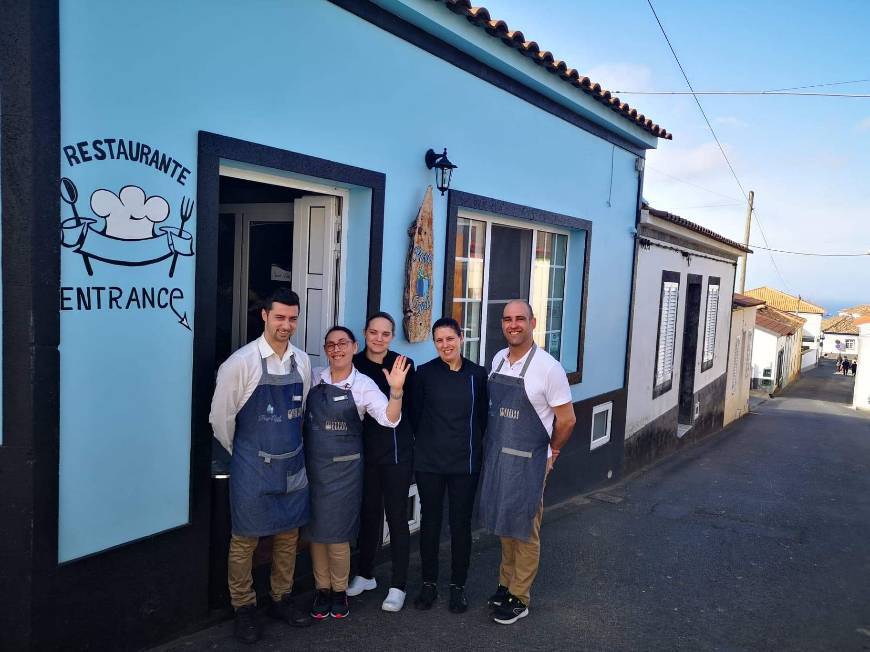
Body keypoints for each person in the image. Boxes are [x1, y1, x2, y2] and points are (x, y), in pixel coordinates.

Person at [209, 288, 313, 644]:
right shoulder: (241, 363)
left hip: (292, 462)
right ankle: (244, 607)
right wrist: (248, 452)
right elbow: (221, 420)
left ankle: (280, 599)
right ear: (265, 316)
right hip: (252, 464)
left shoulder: (303, 361)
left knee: (288, 536)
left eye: (293, 318)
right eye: (280, 317)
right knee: (245, 540)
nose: (287, 325)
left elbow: (302, 412)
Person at [480, 300, 577, 625]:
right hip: (499, 456)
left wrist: (552, 453)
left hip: (530, 461)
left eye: (520, 318)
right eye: (508, 319)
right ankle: (505, 585)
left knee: (524, 529)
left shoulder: (549, 368)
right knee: (505, 523)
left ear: (533, 323)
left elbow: (567, 420)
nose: (513, 324)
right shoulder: (498, 360)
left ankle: (519, 597)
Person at [304, 326, 410, 621]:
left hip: (346, 469)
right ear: (325, 350)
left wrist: (397, 391)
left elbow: (390, 420)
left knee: (337, 532)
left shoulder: (363, 385)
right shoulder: (313, 377)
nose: (336, 349)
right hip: (315, 466)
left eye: (343, 344)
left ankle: (339, 590)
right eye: (331, 345)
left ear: (353, 347)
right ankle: (321, 589)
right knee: (316, 531)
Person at [411, 317, 488, 613]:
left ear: (461, 338)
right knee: (430, 524)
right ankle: (428, 583)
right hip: (430, 462)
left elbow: (482, 417)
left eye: (450, 339)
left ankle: (458, 586)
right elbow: (416, 415)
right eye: (439, 340)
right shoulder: (424, 374)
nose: (445, 345)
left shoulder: (477, 375)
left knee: (460, 525)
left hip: (464, 463)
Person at [347, 313, 416, 612]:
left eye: (385, 334)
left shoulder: (403, 365)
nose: (378, 338)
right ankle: (365, 574)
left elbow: (414, 410)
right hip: (365, 451)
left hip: (397, 452)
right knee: (368, 514)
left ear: (392, 336)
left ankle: (398, 585)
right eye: (373, 332)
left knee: (397, 517)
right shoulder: (355, 363)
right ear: (364, 333)